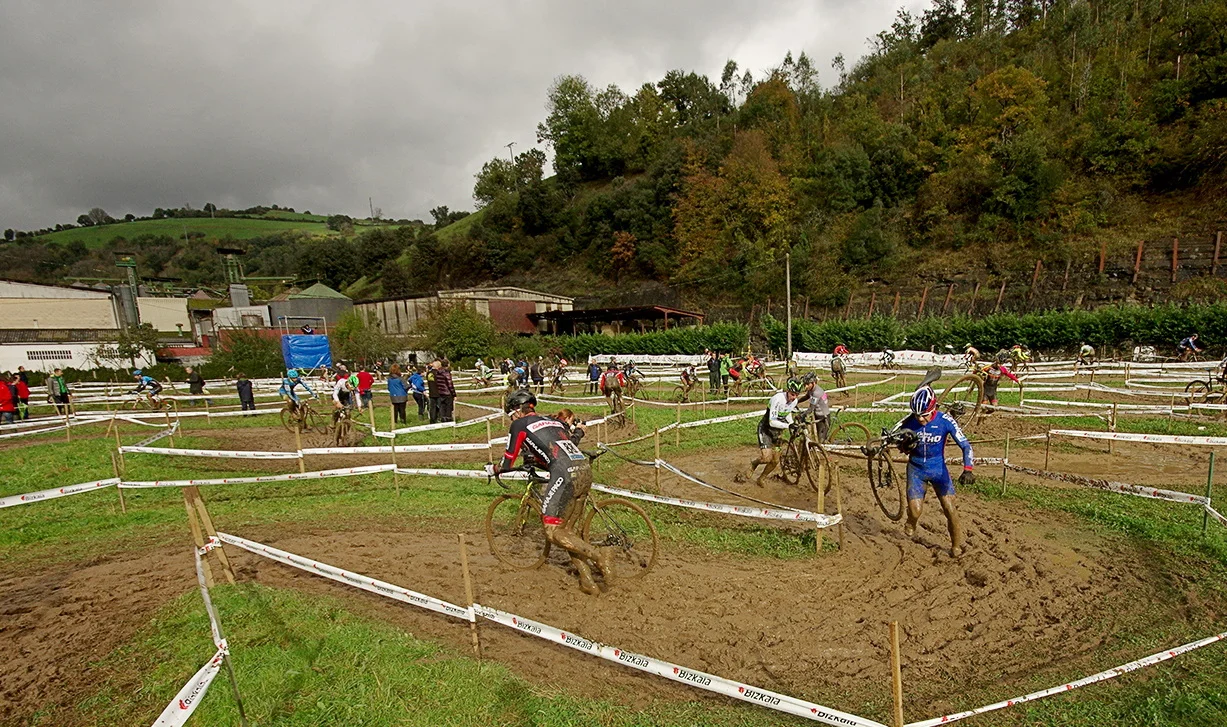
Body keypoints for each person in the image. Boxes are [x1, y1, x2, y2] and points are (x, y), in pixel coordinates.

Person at [490, 390, 613, 595]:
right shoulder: (553, 421)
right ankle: (587, 581)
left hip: (564, 474)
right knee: (568, 532)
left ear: (517, 411)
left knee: (552, 531)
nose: (510, 419)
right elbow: (561, 444)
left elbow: (508, 459)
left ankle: (600, 556)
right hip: (583, 469)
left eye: (510, 415)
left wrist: (494, 469)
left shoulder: (518, 425)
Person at [895, 386, 974, 557]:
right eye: (917, 415)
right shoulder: (910, 422)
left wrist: (968, 469)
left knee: (950, 508)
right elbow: (898, 443)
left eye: (924, 415)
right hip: (916, 470)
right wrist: (903, 445)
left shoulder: (945, 420)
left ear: (933, 409)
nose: (921, 419)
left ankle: (956, 546)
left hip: (939, 470)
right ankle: (911, 522)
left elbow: (966, 445)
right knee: (915, 511)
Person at [739, 379, 804, 487]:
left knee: (775, 461)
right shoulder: (777, 399)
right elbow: (772, 421)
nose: (794, 397)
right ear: (787, 391)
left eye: (796, 395)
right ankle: (754, 463)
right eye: (792, 394)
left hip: (777, 433)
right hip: (765, 430)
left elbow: (787, 414)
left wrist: (792, 423)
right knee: (766, 458)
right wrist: (788, 425)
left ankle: (761, 478)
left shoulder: (794, 401)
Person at [800, 372, 830, 441]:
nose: (806, 387)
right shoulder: (811, 389)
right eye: (805, 384)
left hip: (823, 417)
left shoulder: (816, 393)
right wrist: (796, 402)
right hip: (818, 415)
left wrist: (803, 414)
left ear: (813, 383)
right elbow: (806, 396)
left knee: (821, 439)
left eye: (807, 384)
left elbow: (811, 408)